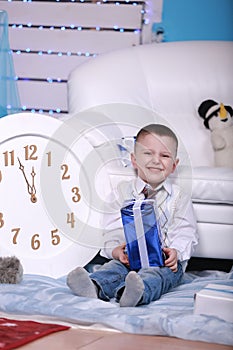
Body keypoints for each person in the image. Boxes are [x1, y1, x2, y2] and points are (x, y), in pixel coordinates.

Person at [67, 124, 198, 307]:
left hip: (165, 263)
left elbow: (186, 231)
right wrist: (116, 250)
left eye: (165, 155)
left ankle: (136, 292)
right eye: (148, 153)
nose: (156, 160)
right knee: (113, 269)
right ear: (134, 159)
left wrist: (176, 251)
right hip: (130, 258)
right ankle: (93, 286)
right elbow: (111, 229)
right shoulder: (121, 192)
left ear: (174, 165)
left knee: (157, 276)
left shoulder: (179, 197)